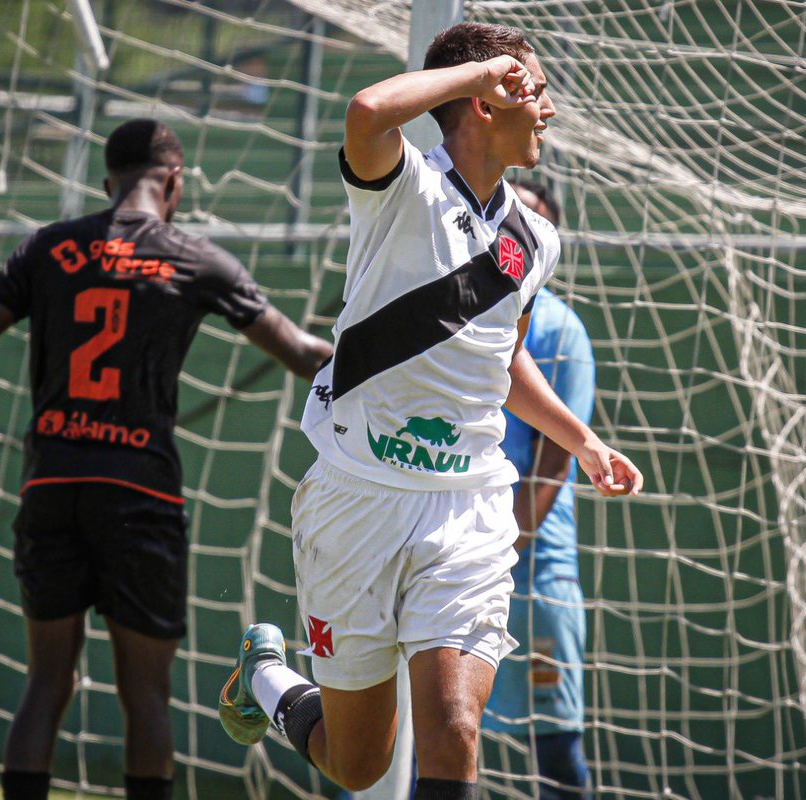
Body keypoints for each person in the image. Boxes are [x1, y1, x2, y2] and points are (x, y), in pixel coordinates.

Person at [218, 22, 643, 800]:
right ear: (486, 101)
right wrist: (474, 77)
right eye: (536, 92)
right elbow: (367, 110)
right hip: (359, 499)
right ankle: (269, 680)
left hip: (469, 504)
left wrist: (581, 441)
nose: (548, 111)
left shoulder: (536, 239)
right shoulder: (403, 185)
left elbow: (499, 357)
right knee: (360, 763)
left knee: (453, 729)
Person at [0, 118, 332, 800]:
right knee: (146, 696)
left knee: (46, 683)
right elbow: (303, 354)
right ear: (175, 183)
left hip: (53, 485)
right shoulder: (195, 258)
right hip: (140, 496)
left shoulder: (48, 248)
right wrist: (401, 362)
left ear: (107, 182)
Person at [482, 180, 594, 799]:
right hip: (454, 556)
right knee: (435, 732)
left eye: (531, 217)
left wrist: (494, 554)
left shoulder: (562, 333)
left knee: (556, 749)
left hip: (531, 569)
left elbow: (554, 467)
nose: (516, 225)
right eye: (509, 211)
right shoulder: (459, 311)